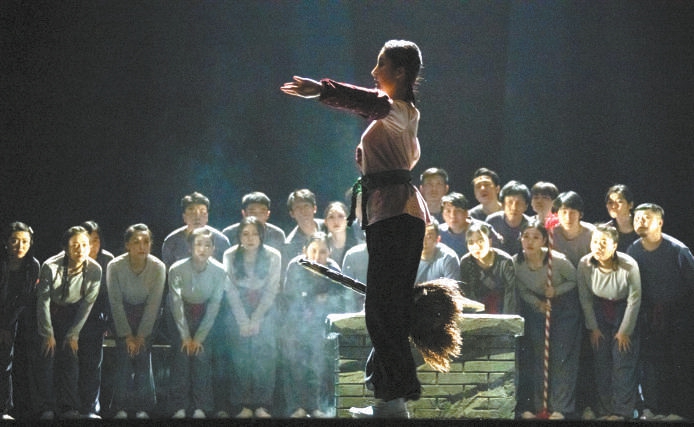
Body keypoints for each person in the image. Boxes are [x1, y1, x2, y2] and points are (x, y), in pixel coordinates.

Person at [281, 39, 429, 418]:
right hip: (387, 214)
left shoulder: (400, 111)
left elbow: (368, 101)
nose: (374, 71)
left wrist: (322, 90)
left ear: (400, 72)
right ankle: (390, 399)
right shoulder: (397, 118)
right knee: (383, 308)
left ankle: (393, 401)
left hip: (397, 214)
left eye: (381, 64)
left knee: (384, 308)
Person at [627, 203, 694, 420]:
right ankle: (655, 409)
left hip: (679, 315)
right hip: (649, 316)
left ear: (660, 222)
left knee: (679, 362)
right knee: (652, 365)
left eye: (646, 218)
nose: (640, 222)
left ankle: (680, 411)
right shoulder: (633, 250)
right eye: (637, 218)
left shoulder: (678, 250)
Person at [514, 220, 581, 420]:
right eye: (526, 236)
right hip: (537, 310)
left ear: (544, 240)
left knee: (561, 359)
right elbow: (521, 289)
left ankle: (560, 407)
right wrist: (538, 303)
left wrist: (556, 291)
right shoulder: (515, 263)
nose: (530, 241)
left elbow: (574, 280)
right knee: (538, 358)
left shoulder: (556, 261)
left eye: (536, 237)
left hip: (564, 310)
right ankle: (538, 406)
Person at [36, 226, 102, 420]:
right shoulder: (50, 266)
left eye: (84, 245)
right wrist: (48, 334)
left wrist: (73, 334)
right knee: (48, 355)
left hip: (73, 313)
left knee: (71, 356)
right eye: (75, 245)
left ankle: (69, 406)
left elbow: (87, 304)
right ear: (65, 247)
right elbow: (43, 302)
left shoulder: (95, 270)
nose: (80, 250)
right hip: (49, 311)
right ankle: (46, 406)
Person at [577, 224, 641, 420]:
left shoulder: (628, 264)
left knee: (622, 362)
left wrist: (625, 331)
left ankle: (622, 411)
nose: (598, 246)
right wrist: (593, 327)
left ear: (614, 246)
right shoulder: (585, 264)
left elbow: (634, 298)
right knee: (601, 363)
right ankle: (605, 410)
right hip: (599, 312)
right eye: (595, 242)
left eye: (604, 243)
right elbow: (585, 298)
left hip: (624, 311)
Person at [223, 217, 281, 419]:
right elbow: (230, 290)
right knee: (240, 357)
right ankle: (242, 404)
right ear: (239, 236)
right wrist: (243, 321)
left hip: (265, 307)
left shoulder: (273, 256)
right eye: (245, 234)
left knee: (265, 356)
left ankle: (262, 404)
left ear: (261, 236)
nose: (250, 238)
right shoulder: (230, 255)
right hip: (237, 307)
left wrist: (256, 319)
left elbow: (272, 290)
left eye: (255, 234)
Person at [280, 232, 342, 418]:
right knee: (295, 366)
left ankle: (315, 406)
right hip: (295, 323)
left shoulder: (333, 270)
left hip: (321, 326)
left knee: (318, 365)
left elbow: (338, 299)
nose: (317, 256)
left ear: (329, 252)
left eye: (322, 252)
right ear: (305, 250)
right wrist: (315, 299)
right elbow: (290, 297)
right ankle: (296, 407)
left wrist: (324, 300)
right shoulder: (296, 266)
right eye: (313, 251)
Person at [106, 224, 165, 420]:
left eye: (146, 242)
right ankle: (120, 406)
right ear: (127, 245)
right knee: (124, 354)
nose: (142, 246)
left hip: (147, 316)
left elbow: (154, 304)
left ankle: (145, 407)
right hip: (121, 314)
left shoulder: (158, 267)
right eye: (136, 242)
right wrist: (127, 335)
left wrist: (140, 336)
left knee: (142, 354)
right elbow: (115, 302)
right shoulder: (114, 266)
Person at [167, 228, 225, 419]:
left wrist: (198, 337)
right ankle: (179, 406)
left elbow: (215, 304)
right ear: (190, 247)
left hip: (205, 315)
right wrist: (185, 336)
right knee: (181, 356)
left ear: (213, 249)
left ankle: (202, 406)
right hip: (180, 314)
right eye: (198, 244)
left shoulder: (219, 270)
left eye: (207, 245)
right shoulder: (176, 268)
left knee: (202, 358)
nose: (202, 249)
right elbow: (176, 302)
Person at [0, 222, 40, 420]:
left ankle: (3, 409)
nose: (20, 246)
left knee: (6, 362)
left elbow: (24, 298)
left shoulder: (33, 266)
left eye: (25, 241)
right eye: (15, 241)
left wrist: (6, 325)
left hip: (15, 319)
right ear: (6, 242)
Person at [78, 221, 114, 419]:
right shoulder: (74, 256)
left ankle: (91, 407)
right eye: (88, 240)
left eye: (96, 240)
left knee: (93, 364)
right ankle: (70, 406)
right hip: (73, 315)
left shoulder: (107, 260)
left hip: (97, 317)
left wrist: (107, 321)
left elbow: (110, 295)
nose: (92, 245)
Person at [459, 222, 517, 314]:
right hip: (476, 313)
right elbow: (466, 295)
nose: (476, 247)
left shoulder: (505, 261)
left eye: (480, 241)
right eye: (471, 242)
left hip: (501, 311)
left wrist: (506, 320)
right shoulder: (465, 262)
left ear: (489, 241)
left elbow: (510, 295)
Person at [162, 192, 231, 268]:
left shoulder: (221, 241)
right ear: (184, 217)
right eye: (192, 212)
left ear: (207, 217)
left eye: (202, 212)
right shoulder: (171, 242)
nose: (197, 216)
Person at [439, 192, 501, 258]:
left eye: (458, 211)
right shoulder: (438, 232)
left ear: (466, 213)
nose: (452, 215)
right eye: (448, 211)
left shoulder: (484, 229)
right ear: (442, 214)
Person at [222, 191, 286, 252]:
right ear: (244, 213)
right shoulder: (229, 234)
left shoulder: (277, 235)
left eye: (262, 212)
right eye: (252, 212)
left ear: (268, 214)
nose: (257, 216)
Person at [485, 180, 531, 256]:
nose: (514, 207)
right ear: (503, 205)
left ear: (526, 206)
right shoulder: (492, 221)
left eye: (518, 203)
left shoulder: (531, 225)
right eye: (510, 202)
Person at [552, 191, 596, 267]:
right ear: (557, 214)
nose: (568, 218)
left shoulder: (592, 233)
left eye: (572, 212)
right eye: (564, 212)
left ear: (580, 214)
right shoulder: (551, 234)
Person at [283, 189, 325, 264]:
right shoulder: (290, 244)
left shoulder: (328, 227)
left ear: (314, 208)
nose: (303, 211)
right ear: (292, 214)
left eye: (306, 206)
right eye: (298, 207)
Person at [416, 220, 460, 284]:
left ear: (438, 239)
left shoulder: (447, 257)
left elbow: (452, 288)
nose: (423, 241)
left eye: (429, 237)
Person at [323, 201, 362, 266]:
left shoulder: (358, 245)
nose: (336, 221)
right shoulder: (321, 245)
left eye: (340, 216)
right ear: (325, 222)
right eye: (331, 217)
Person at [603, 184, 638, 253]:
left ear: (630, 205)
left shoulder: (642, 227)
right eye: (610, 202)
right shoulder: (606, 230)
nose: (614, 206)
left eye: (619, 201)